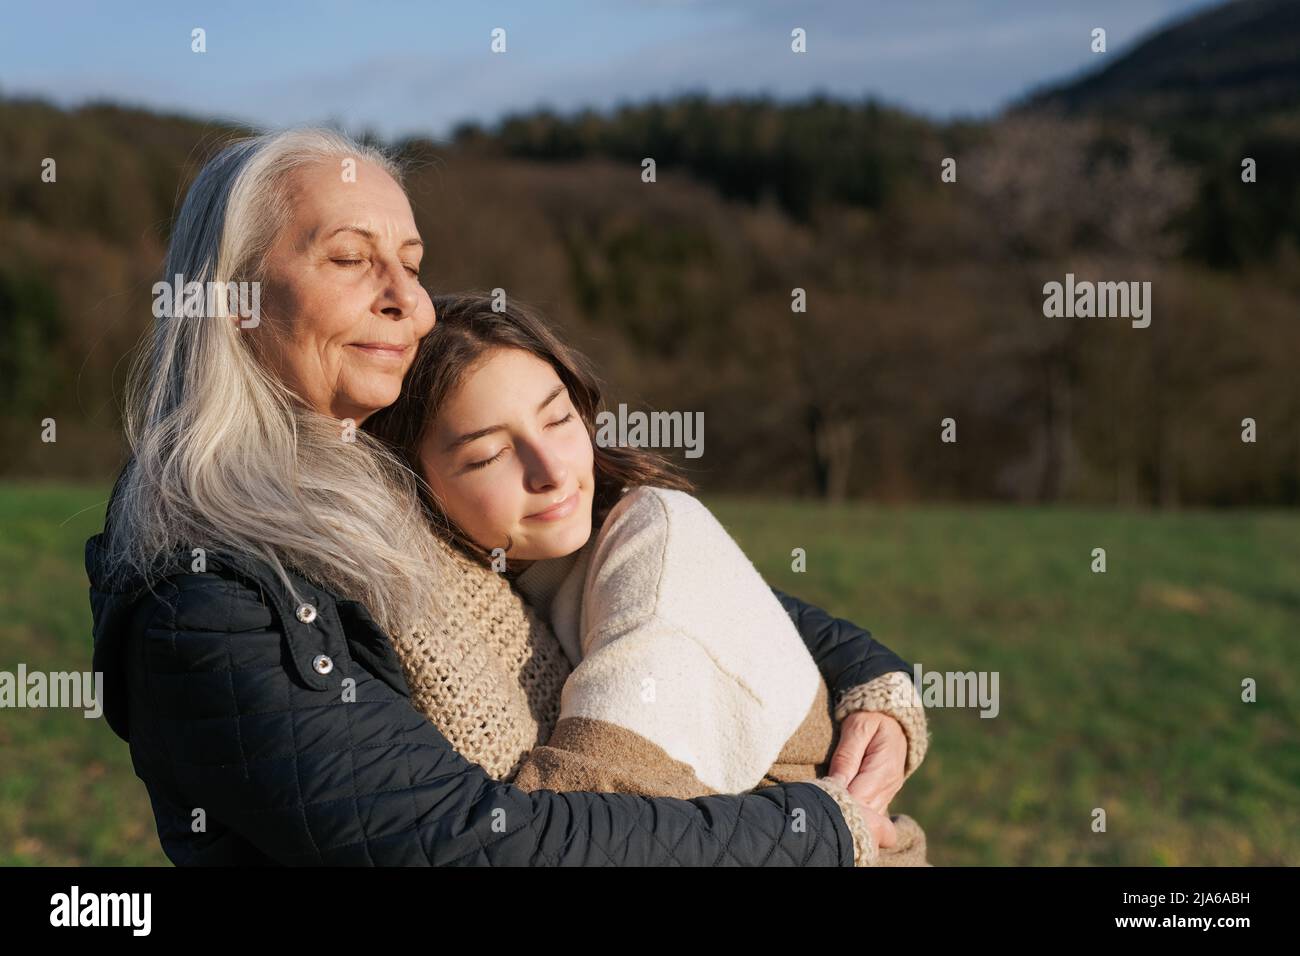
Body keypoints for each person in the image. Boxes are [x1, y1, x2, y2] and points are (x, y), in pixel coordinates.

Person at [86, 126, 924, 865]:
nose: (407, 302)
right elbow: (464, 844)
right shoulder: (204, 593)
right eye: (349, 259)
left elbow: (666, 578)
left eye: (412, 266)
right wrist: (814, 831)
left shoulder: (377, 472)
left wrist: (871, 688)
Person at [364, 293, 931, 866]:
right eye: (490, 455)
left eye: (558, 419)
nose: (552, 471)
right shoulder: (528, 574)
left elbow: (578, 822)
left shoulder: (655, 546)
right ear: (412, 485)